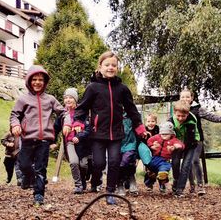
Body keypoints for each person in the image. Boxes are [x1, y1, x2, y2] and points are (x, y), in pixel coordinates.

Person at [70, 51, 150, 205]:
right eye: (107, 65)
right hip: (98, 133)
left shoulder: (122, 89)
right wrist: (78, 123)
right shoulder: (93, 87)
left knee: (114, 163)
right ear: (100, 67)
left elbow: (132, 109)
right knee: (99, 163)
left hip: (116, 134)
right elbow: (82, 107)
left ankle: (110, 191)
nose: (110, 67)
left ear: (117, 68)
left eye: (114, 65)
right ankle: (96, 180)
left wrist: (139, 126)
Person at [10, 65, 65, 207]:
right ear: (29, 81)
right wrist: (15, 125)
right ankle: (30, 178)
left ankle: (39, 194)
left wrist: (68, 123)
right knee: (24, 165)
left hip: (44, 140)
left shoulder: (51, 99)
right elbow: (15, 115)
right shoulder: (23, 99)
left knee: (41, 168)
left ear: (45, 82)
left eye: (41, 79)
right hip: (27, 138)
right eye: (34, 79)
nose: (37, 82)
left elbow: (63, 112)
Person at [180, 88, 221, 195]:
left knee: (195, 160)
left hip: (197, 139)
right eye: (182, 97)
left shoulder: (197, 109)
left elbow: (211, 116)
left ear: (192, 98)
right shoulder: (178, 108)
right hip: (184, 140)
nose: (185, 99)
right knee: (187, 162)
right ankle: (192, 185)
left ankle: (200, 185)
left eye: (187, 96)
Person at [55, 87, 91, 194]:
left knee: (83, 165)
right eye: (66, 98)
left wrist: (79, 135)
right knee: (74, 162)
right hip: (69, 142)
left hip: (82, 142)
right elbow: (55, 128)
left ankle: (83, 180)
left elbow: (88, 127)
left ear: (75, 99)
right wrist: (51, 140)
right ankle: (78, 185)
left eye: (70, 97)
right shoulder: (62, 114)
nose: (68, 100)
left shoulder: (82, 111)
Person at [170, 100, 199, 197]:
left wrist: (182, 145)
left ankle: (180, 189)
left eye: (183, 116)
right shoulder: (171, 121)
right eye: (178, 116)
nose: (180, 118)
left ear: (187, 114)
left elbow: (190, 138)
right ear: (175, 113)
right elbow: (167, 135)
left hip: (191, 143)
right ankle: (176, 180)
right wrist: (174, 144)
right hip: (176, 143)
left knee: (186, 165)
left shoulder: (192, 120)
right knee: (175, 162)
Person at [146, 121, 184, 193]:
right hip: (155, 159)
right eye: (162, 134)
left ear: (171, 133)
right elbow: (149, 140)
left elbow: (180, 144)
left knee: (162, 173)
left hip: (165, 161)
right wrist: (152, 146)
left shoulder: (173, 140)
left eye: (166, 134)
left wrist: (176, 146)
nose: (164, 136)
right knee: (150, 173)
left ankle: (164, 185)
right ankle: (149, 184)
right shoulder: (157, 137)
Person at [116, 113, 139, 196]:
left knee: (127, 161)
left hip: (130, 142)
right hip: (116, 143)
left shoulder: (131, 113)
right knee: (117, 163)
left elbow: (139, 125)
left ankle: (131, 179)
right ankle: (119, 184)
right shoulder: (113, 112)